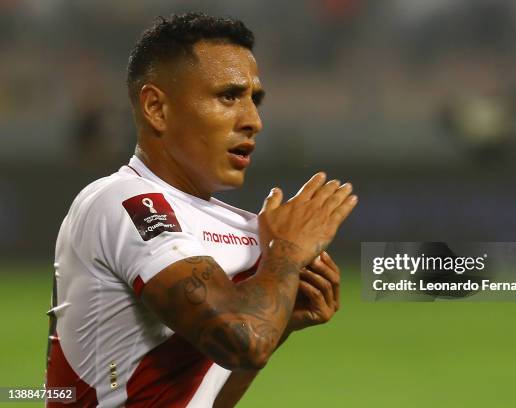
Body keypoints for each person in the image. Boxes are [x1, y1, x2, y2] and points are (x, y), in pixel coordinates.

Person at [45, 13, 357, 408]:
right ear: (156, 108)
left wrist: (280, 322)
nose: (253, 121)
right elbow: (243, 343)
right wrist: (286, 254)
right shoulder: (126, 202)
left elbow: (201, 398)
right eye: (228, 96)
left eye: (254, 100)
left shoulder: (231, 224)